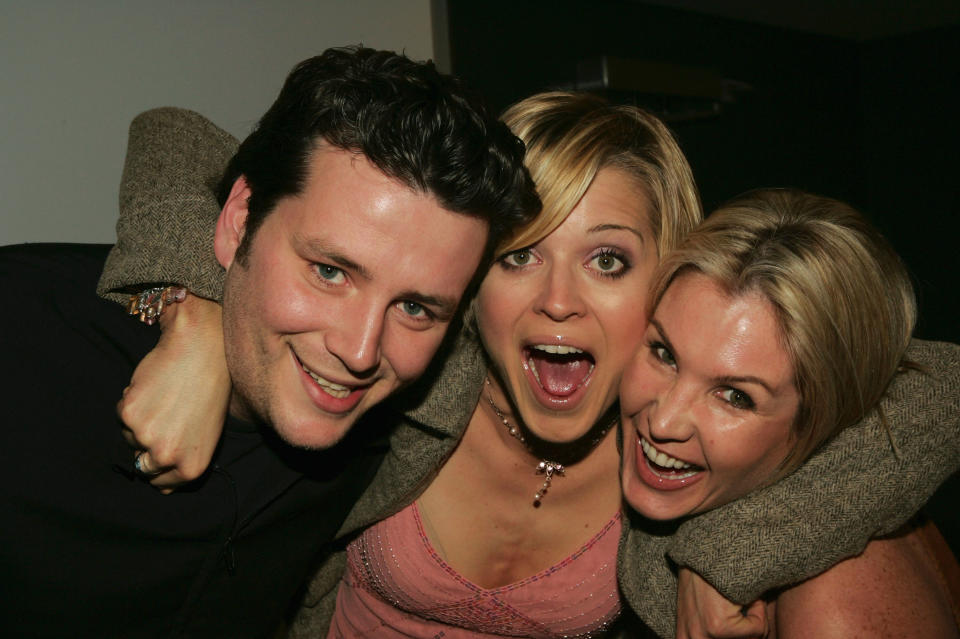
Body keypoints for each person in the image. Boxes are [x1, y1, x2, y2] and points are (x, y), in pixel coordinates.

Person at [98, 91, 960, 638]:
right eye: (519, 256)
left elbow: (932, 390)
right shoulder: (412, 369)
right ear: (469, 279)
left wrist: (730, 547)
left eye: (609, 261)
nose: (558, 299)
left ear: (673, 273)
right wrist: (197, 315)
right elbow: (176, 132)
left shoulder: (679, 435)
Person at [0, 46, 539, 637]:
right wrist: (193, 312)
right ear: (238, 221)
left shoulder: (396, 426)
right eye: (330, 272)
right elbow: (173, 130)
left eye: (414, 307)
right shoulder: (25, 330)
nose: (360, 351)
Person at [620, 189, 959, 638]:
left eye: (735, 397)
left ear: (819, 425)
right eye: (664, 353)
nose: (663, 422)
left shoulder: (833, 607)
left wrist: (726, 550)